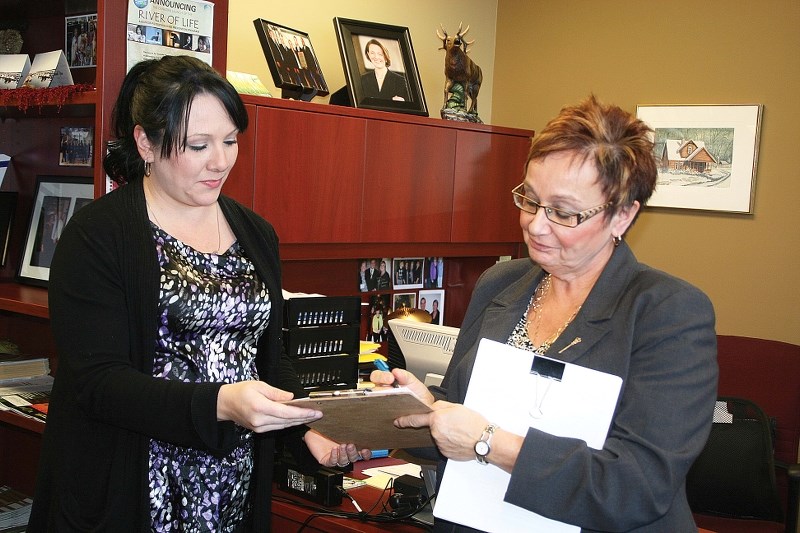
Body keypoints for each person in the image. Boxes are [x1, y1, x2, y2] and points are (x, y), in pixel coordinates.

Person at [28, 55, 371, 533]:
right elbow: (98, 383)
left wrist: (307, 425)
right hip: (131, 488)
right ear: (145, 142)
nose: (221, 160)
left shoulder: (255, 233)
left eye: (230, 141)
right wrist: (222, 403)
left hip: (232, 486)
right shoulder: (98, 236)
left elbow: (265, 355)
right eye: (198, 145)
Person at [372, 95, 718, 532]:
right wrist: (417, 409)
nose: (535, 224)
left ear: (622, 216)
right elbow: (460, 416)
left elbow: (637, 485)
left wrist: (489, 443)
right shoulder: (500, 284)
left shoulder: (667, 312)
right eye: (530, 200)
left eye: (563, 212)